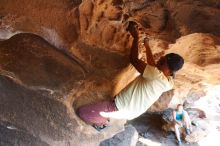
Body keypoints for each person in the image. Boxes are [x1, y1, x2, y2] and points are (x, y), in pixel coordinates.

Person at [77, 22, 184, 131]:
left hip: (120, 107)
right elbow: (153, 66)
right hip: (133, 111)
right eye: (162, 58)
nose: (159, 60)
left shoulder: (156, 76)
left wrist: (136, 37)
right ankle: (108, 116)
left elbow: (134, 60)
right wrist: (146, 45)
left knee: (83, 113)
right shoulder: (169, 81)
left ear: (169, 69)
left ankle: (102, 123)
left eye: (162, 61)